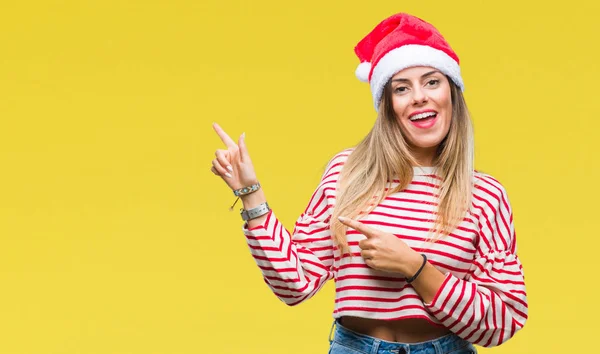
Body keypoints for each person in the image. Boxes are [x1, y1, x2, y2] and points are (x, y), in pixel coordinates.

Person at [210, 12, 528, 354]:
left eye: (432, 82)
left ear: (452, 92)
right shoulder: (348, 172)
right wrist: (251, 195)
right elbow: (295, 284)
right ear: (388, 106)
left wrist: (413, 266)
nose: (419, 97)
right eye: (402, 88)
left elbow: (503, 319)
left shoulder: (485, 195)